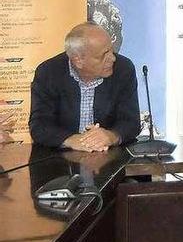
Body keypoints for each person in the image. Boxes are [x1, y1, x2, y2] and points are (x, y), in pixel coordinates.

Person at [29, 22, 141, 151]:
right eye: (103, 55)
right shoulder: (48, 72)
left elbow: (131, 122)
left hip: (110, 156)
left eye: (111, 50)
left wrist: (110, 136)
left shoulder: (123, 69)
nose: (112, 58)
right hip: (61, 158)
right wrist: (71, 140)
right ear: (78, 60)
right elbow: (39, 125)